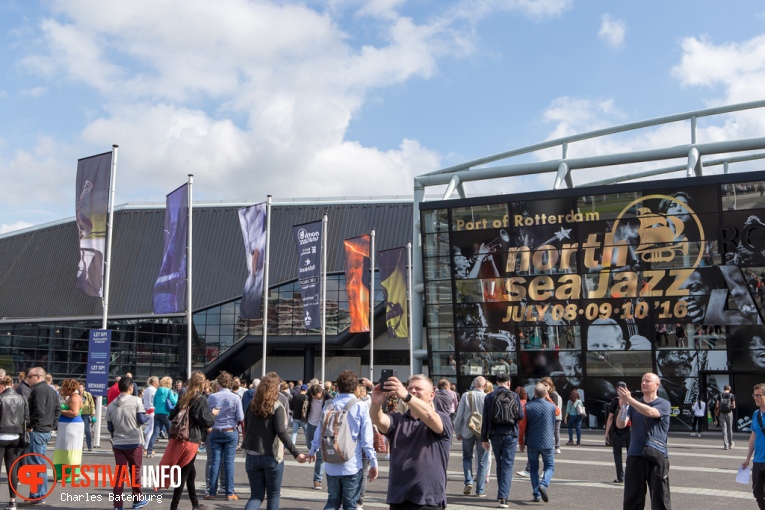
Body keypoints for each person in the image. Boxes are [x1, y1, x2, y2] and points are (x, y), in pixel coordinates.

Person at [370, 374, 452, 509]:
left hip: (428, 498)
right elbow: (379, 420)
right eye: (410, 388)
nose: (413, 391)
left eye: (418, 389)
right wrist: (375, 404)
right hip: (399, 497)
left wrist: (406, 396)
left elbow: (430, 417)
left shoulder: (442, 418)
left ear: (432, 395)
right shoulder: (398, 419)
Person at [306, 370, 378, 510]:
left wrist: (312, 450)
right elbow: (367, 440)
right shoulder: (361, 406)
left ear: (337, 387)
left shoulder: (328, 405)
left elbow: (319, 432)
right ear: (356, 388)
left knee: (333, 500)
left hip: (331, 463)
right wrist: (373, 462)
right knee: (350, 504)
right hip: (351, 463)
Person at [242, 372, 307, 510]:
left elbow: (246, 426)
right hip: (271, 455)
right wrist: (296, 453)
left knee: (256, 496)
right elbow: (281, 432)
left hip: (252, 455)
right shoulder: (277, 407)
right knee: (273, 495)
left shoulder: (251, 405)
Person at [160, 372, 217, 510]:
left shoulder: (184, 395)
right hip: (191, 439)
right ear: (202, 383)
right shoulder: (201, 399)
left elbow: (172, 415)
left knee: (190, 473)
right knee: (183, 474)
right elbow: (206, 421)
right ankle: (174, 507)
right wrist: (213, 414)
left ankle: (195, 504)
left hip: (179, 438)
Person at [616, 373, 671, 510]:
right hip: (635, 454)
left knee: (660, 497)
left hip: (657, 455)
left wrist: (631, 401)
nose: (644, 383)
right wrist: (624, 406)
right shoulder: (633, 404)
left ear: (657, 385)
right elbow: (621, 424)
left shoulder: (663, 403)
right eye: (642, 381)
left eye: (648, 381)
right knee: (632, 497)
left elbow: (651, 413)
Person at [106, 376, 149, 510]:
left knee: (120, 474)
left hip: (118, 443)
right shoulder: (136, 401)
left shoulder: (111, 405)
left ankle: (118, 505)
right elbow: (141, 420)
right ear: (131, 387)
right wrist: (148, 416)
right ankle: (137, 500)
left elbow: (110, 427)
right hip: (134, 442)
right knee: (135, 472)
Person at [481, 373, 524, 509]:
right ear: (508, 383)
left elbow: (486, 418)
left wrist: (484, 438)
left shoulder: (489, 396)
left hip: (495, 434)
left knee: (500, 464)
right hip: (511, 433)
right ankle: (503, 497)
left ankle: (501, 493)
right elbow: (521, 415)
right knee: (508, 465)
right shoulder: (515, 396)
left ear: (496, 383)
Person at [206, 371, 244, 501]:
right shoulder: (236, 397)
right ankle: (229, 492)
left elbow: (209, 414)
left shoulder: (212, 397)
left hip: (215, 431)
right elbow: (240, 417)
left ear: (219, 383)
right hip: (230, 431)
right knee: (229, 463)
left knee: (215, 462)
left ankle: (212, 492)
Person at [25, 367, 61, 503]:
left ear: (38, 376)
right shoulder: (51, 391)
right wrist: (52, 425)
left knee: (36, 464)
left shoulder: (37, 390)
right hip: (45, 430)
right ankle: (37, 494)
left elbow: (39, 411)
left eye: (30, 376)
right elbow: (57, 409)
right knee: (38, 463)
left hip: (38, 430)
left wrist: (30, 425)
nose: (28, 379)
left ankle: (38, 495)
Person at [453, 376, 489, 497]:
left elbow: (459, 416)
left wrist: (457, 431)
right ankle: (480, 490)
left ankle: (468, 481)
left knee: (467, 457)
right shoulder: (487, 397)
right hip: (482, 432)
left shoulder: (466, 395)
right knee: (482, 460)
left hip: (467, 430)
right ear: (484, 386)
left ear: (473, 383)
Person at [524, 383, 557, 503]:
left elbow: (523, 425)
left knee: (533, 468)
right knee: (549, 466)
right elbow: (554, 421)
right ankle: (543, 484)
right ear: (546, 394)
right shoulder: (551, 407)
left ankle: (536, 494)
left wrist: (522, 441)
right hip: (547, 441)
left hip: (532, 442)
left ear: (534, 394)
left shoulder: (527, 406)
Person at [0, 374, 28, 510]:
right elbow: (26, 418)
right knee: (12, 470)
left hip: (1, 435)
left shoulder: (1, 398)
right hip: (16, 436)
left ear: (2, 385)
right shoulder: (21, 399)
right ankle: (12, 502)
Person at [53, 379, 83, 483]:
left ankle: (70, 475)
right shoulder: (72, 397)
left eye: (64, 388)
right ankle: (64, 474)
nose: (62, 390)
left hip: (72, 427)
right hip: (68, 426)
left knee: (70, 450)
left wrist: (59, 411)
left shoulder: (74, 397)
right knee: (65, 450)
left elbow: (74, 413)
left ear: (69, 388)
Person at [742, 383, 765, 509]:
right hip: (758, 461)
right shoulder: (756, 414)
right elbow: (753, 437)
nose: (755, 398)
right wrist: (747, 458)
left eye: (758, 395)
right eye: (754, 395)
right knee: (757, 493)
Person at [305, 384, 329, 490]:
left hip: (322, 427)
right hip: (310, 424)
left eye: (316, 395)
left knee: (320, 455)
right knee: (309, 445)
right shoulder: (309, 396)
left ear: (321, 392)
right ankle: (313, 451)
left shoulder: (328, 398)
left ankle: (317, 480)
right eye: (313, 396)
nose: (315, 397)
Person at [147, 376, 176, 458]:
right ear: (169, 383)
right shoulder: (169, 391)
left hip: (157, 414)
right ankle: (171, 452)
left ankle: (149, 451)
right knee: (170, 433)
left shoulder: (158, 390)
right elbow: (174, 402)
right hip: (166, 414)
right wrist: (176, 396)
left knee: (155, 433)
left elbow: (154, 403)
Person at [605, 396, 631, 484]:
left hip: (618, 431)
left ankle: (621, 477)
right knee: (630, 454)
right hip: (629, 431)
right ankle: (628, 476)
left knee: (618, 454)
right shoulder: (631, 404)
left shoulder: (616, 403)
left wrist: (607, 432)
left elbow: (610, 417)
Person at [716, 384, 736, 450]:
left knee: (724, 429)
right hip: (729, 413)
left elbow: (717, 405)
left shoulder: (720, 395)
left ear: (724, 389)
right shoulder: (731, 395)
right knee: (729, 429)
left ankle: (725, 445)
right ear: (729, 389)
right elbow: (734, 406)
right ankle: (730, 444)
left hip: (722, 413)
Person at [143, 376, 159, 455]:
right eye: (157, 382)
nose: (158, 384)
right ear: (154, 383)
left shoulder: (146, 390)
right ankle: (146, 448)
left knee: (149, 427)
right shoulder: (155, 390)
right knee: (151, 430)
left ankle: (144, 432)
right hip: (152, 410)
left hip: (147, 410)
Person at [79, 382, 96, 451]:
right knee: (80, 431)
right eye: (78, 387)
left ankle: (89, 446)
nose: (79, 389)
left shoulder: (88, 394)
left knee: (87, 430)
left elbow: (92, 404)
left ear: (83, 388)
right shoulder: (76, 395)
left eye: (80, 387)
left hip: (86, 413)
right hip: (78, 414)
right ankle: (81, 446)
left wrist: (92, 413)